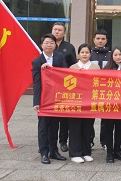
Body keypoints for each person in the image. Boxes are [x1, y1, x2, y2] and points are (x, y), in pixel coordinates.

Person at [32, 34, 68, 164]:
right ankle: (44, 152)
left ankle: (53, 151)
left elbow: (65, 74)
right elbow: (36, 83)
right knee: (43, 127)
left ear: (55, 45)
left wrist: (51, 69)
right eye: (46, 42)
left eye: (51, 43)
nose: (49, 45)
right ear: (42, 45)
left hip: (56, 98)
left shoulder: (59, 57)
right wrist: (36, 102)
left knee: (54, 126)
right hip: (44, 99)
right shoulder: (37, 61)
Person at [68, 43, 99, 163]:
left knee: (87, 128)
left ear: (90, 54)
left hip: (90, 103)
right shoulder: (73, 67)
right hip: (75, 103)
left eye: (87, 52)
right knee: (75, 128)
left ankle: (86, 152)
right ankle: (75, 153)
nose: (84, 55)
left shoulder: (96, 68)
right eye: (82, 52)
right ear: (78, 54)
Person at [101, 47, 121, 163]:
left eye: (120, 55)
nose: (118, 57)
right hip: (109, 104)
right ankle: (109, 153)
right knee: (108, 128)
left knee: (120, 128)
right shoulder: (106, 69)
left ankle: (117, 151)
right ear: (112, 56)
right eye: (115, 55)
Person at [52, 22, 76, 153]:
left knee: (64, 116)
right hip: (50, 86)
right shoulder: (47, 45)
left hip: (65, 86)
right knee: (51, 115)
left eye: (59, 30)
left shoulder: (69, 47)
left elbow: (73, 66)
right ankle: (50, 140)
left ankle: (63, 141)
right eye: (55, 29)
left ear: (64, 33)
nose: (57, 32)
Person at [89, 29, 111, 149]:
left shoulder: (111, 55)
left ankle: (105, 141)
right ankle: (89, 139)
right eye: (98, 39)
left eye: (103, 39)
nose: (100, 41)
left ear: (106, 40)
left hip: (107, 90)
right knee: (90, 116)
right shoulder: (89, 54)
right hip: (91, 89)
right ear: (94, 40)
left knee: (106, 118)